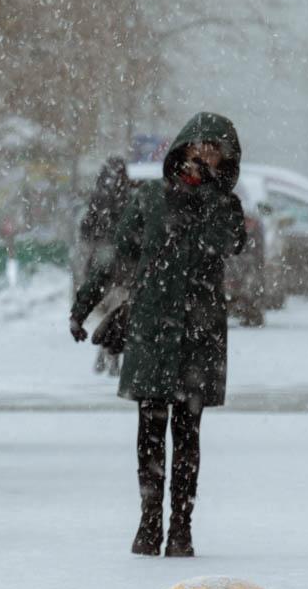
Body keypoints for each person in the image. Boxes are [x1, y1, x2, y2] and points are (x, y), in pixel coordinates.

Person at [71, 114, 246, 558]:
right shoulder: (150, 199)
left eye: (215, 150)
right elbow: (114, 259)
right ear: (183, 148)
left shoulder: (225, 206)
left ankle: (181, 527)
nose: (205, 155)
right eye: (199, 147)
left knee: (188, 433)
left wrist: (207, 193)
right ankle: (149, 523)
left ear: (225, 158)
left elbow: (224, 244)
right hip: (152, 329)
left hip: (200, 334)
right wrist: (83, 305)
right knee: (150, 431)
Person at [75, 157, 133, 375]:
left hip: (101, 266)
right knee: (116, 311)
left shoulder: (97, 200)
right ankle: (110, 354)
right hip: (120, 267)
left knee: (109, 312)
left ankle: (105, 353)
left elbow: (85, 231)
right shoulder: (126, 198)